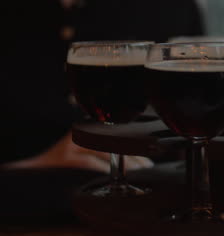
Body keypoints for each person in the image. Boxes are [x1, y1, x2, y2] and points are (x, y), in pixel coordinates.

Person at [0, 0, 203, 173]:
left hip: (149, 200)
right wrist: (32, 167)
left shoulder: (171, 7)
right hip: (23, 207)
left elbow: (194, 120)